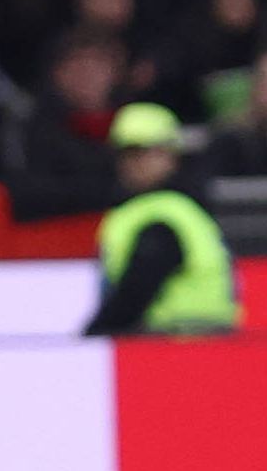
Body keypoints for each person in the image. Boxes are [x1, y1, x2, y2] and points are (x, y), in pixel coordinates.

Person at [85, 103, 238, 336]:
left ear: (171, 155)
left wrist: (91, 336)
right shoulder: (184, 209)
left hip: (172, 343)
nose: (133, 164)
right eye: (126, 154)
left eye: (143, 153)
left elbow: (135, 292)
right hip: (204, 342)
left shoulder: (160, 217)